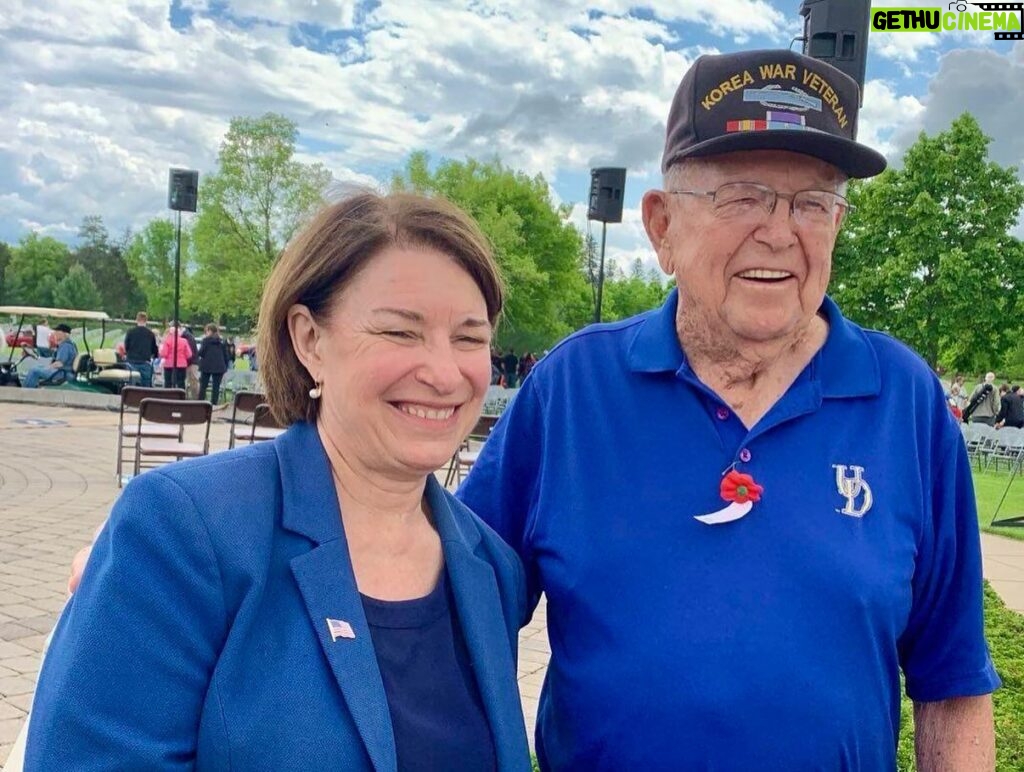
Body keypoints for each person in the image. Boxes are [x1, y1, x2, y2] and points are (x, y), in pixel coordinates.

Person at [459, 49, 998, 769]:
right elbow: (455, 625)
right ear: (661, 227)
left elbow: (953, 681)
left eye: (812, 202)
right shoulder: (571, 390)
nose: (780, 232)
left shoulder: (907, 401)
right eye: (742, 196)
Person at [26, 192, 531, 771]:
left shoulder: (489, 567)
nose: (444, 373)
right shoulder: (186, 531)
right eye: (400, 332)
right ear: (309, 339)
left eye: (469, 338)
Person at [21, 324, 77, 388]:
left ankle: (25, 393)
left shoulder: (65, 346)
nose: (54, 332)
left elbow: (59, 364)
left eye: (57, 331)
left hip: (62, 373)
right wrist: (31, 348)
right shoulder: (68, 344)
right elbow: (51, 353)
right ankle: (32, 387)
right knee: (38, 367)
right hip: (63, 372)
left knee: (34, 371)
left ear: (64, 333)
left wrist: (48, 368)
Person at [122, 311, 159, 387]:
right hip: (145, 362)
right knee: (145, 385)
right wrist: (154, 356)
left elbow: (126, 346)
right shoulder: (150, 334)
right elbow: (154, 349)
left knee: (131, 384)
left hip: (131, 362)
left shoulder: (130, 332)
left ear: (136, 320)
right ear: (146, 321)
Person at [197, 323, 230, 404]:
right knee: (216, 387)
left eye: (206, 331)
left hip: (206, 366)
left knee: (203, 386)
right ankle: (213, 403)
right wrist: (225, 366)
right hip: (219, 366)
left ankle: (200, 403)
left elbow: (201, 352)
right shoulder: (221, 342)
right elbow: (226, 356)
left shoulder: (205, 341)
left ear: (209, 331)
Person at [158, 323, 192, 390]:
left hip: (169, 365)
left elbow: (164, 354)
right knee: (181, 382)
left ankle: (168, 397)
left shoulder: (167, 341)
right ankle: (180, 397)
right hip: (181, 365)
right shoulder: (184, 341)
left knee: (168, 382)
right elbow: (189, 354)